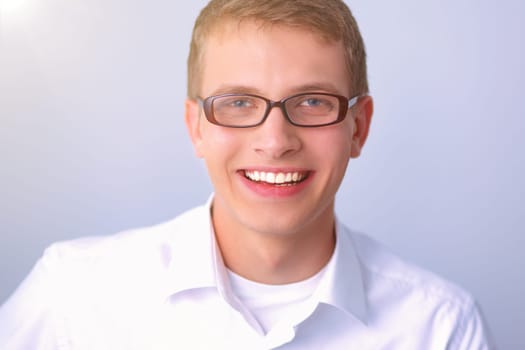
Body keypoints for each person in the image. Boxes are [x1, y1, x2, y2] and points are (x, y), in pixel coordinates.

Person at [0, 0, 495, 349]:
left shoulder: (440, 327)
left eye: (312, 101)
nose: (276, 141)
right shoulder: (72, 296)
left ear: (359, 128)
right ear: (196, 127)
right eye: (238, 103)